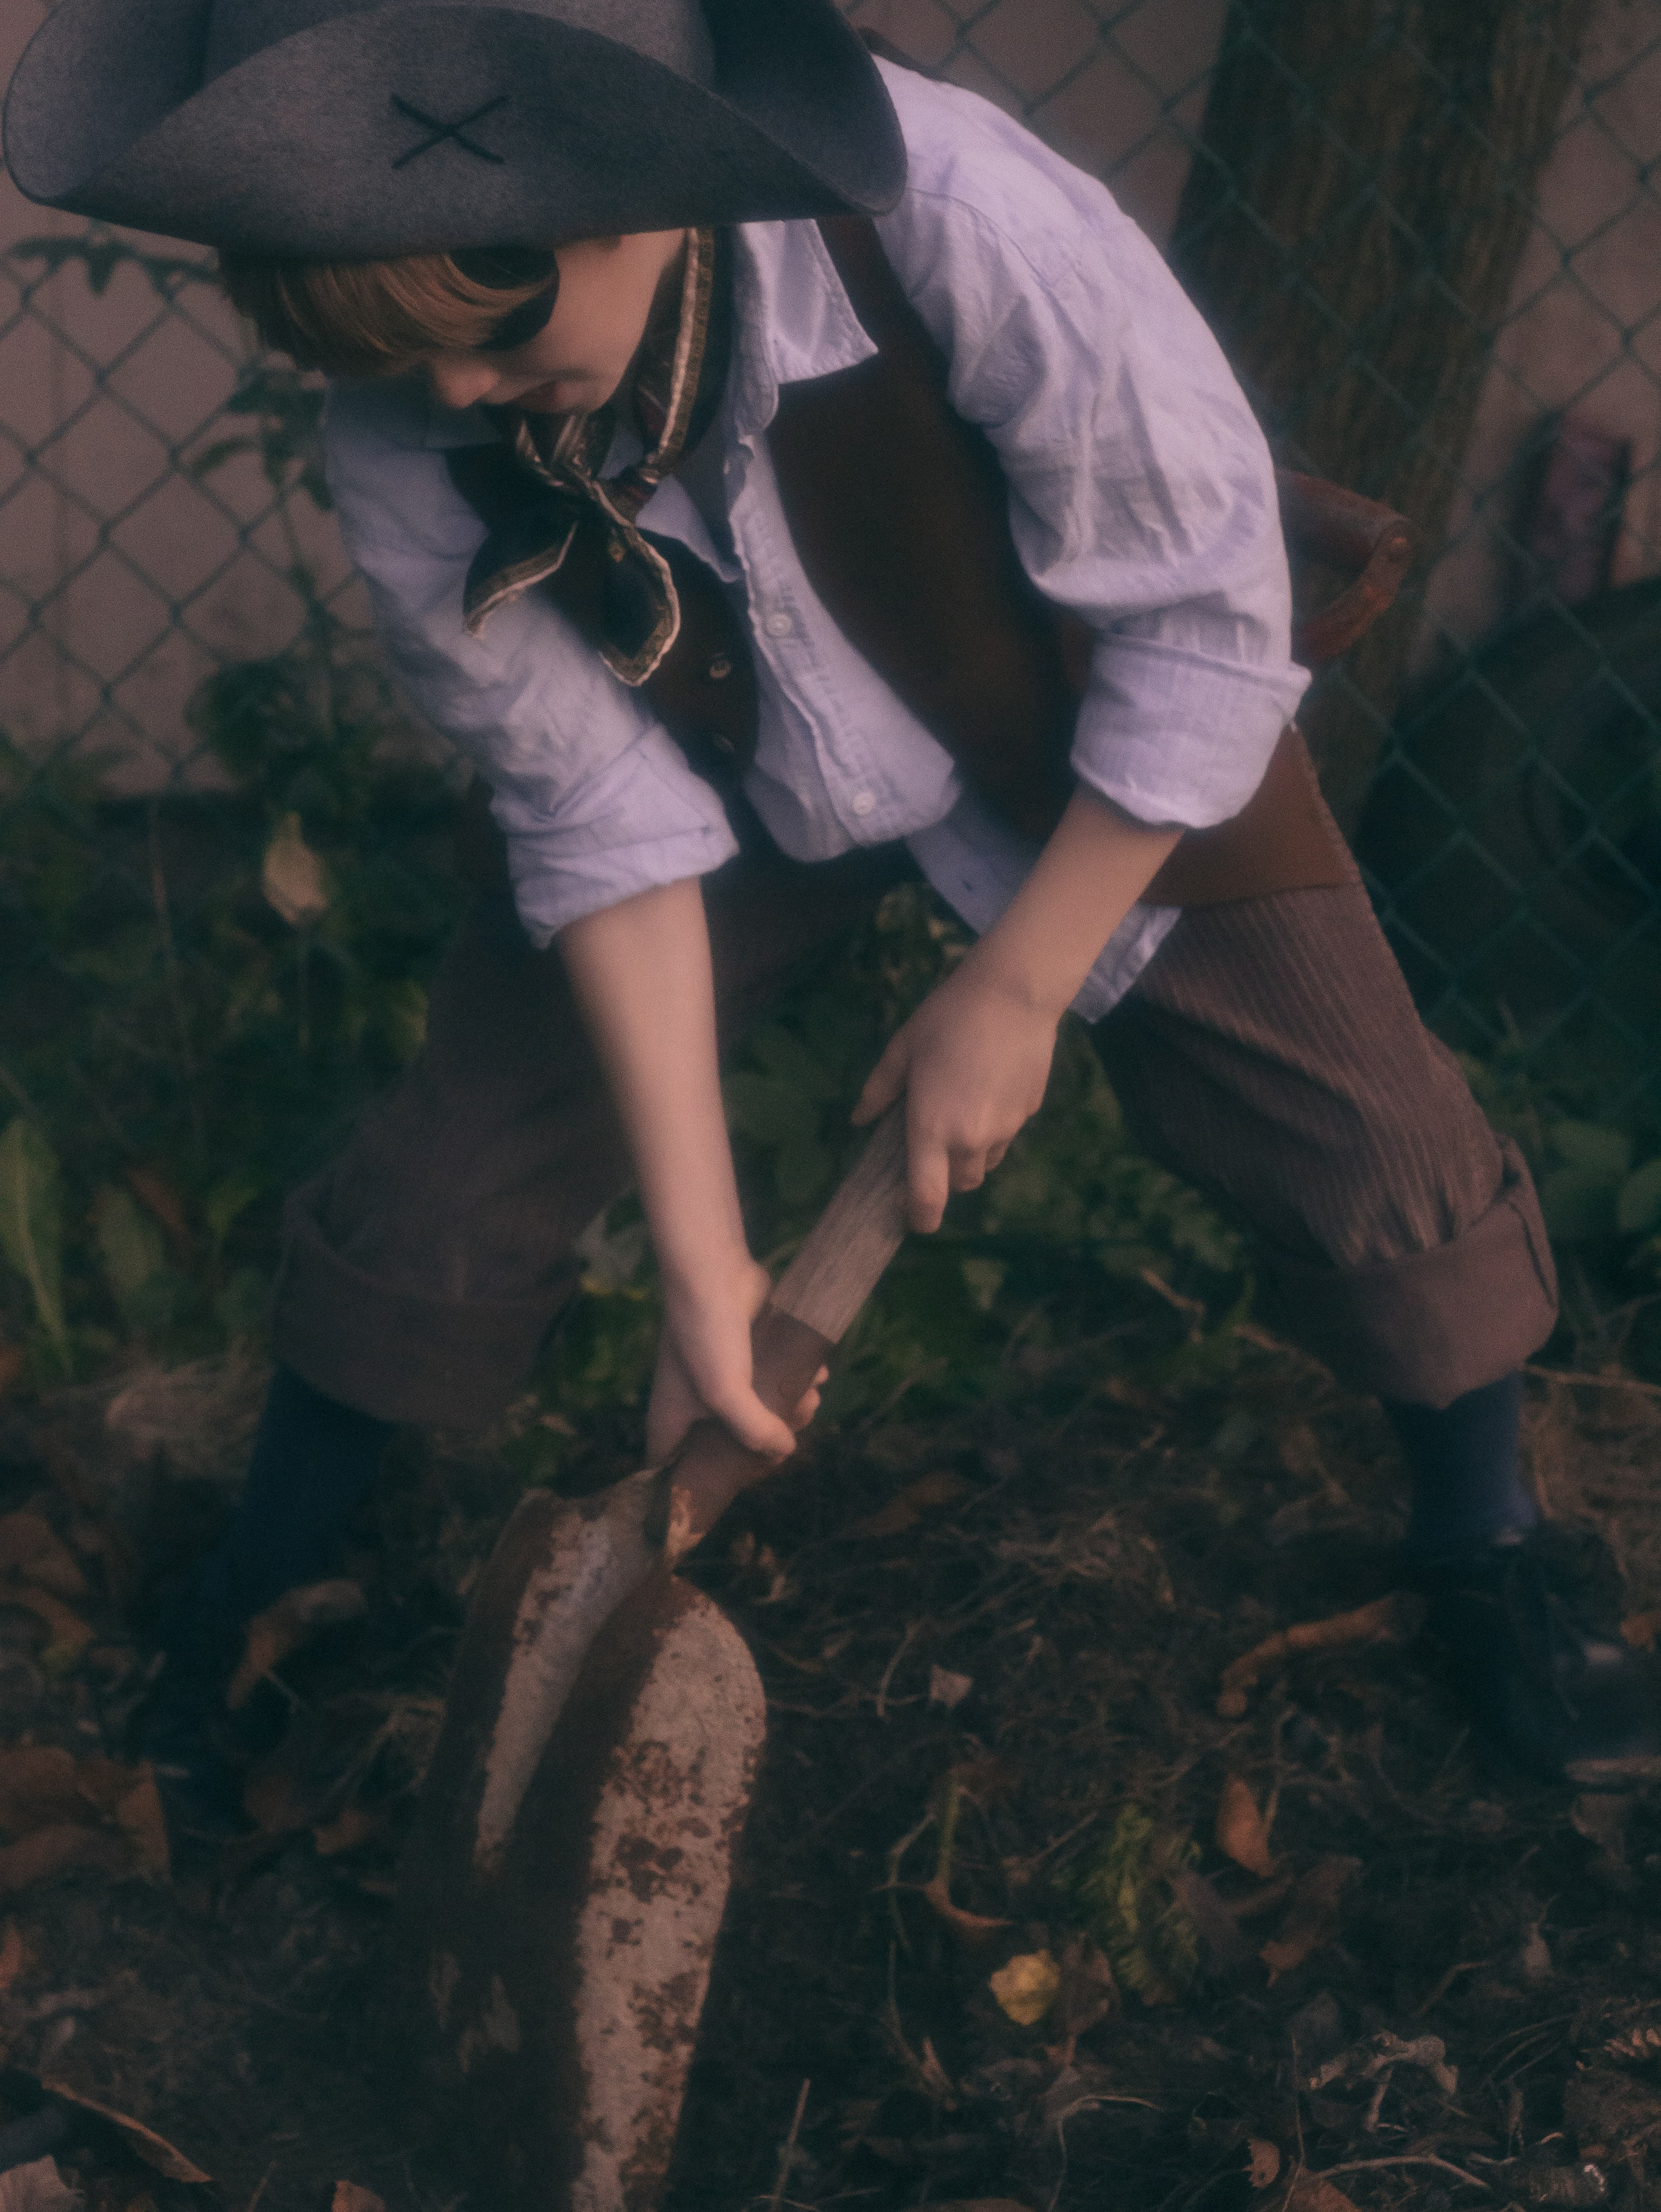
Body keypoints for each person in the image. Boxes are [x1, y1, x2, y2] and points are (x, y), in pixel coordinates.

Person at [6, 0, 1656, 1807]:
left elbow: (1201, 615)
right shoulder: (417, 424)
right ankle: (263, 1576)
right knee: (455, 1157)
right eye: (383, 357)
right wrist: (708, 1265)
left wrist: (1019, 986)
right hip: (731, 779)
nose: (453, 395)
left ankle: (1487, 1543)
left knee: (1362, 1120)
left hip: (1087, 729)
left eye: (488, 331)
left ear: (641, 191)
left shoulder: (953, 217)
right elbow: (596, 820)